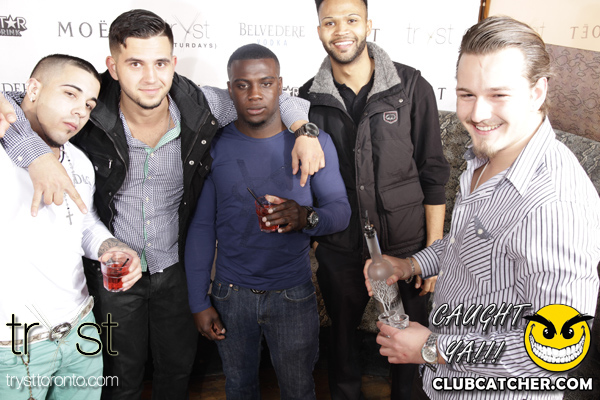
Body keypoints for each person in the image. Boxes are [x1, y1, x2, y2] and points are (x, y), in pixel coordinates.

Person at [0, 9, 324, 400]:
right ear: (113, 67)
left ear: (173, 63)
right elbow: (18, 102)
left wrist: (305, 131)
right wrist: (35, 153)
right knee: (121, 380)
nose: (151, 78)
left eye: (160, 63)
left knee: (176, 372)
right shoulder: (90, 108)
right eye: (135, 64)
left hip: (174, 268)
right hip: (113, 274)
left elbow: (269, 96)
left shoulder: (201, 105)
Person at [365, 16, 600, 400]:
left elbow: (556, 351)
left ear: (537, 92)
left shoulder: (554, 204)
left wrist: (433, 348)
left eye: (498, 95)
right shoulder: (488, 155)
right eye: (467, 94)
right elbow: (467, 243)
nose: (476, 114)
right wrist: (411, 265)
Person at [298, 0, 450, 398]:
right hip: (340, 246)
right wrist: (318, 240)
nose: (341, 30)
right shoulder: (306, 101)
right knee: (342, 344)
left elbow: (433, 173)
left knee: (410, 348)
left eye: (351, 19)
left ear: (368, 25)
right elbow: (303, 180)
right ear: (319, 30)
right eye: (330, 22)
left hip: (407, 246)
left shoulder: (411, 87)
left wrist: (433, 253)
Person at [185, 43, 351, 400]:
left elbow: (340, 211)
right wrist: (199, 301)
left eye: (265, 83)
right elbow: (202, 228)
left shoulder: (314, 142)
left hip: (293, 294)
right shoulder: (214, 146)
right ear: (230, 90)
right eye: (242, 84)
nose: (255, 94)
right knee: (238, 388)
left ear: (280, 86)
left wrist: (306, 217)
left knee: (299, 390)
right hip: (230, 294)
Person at [0, 54, 141, 400]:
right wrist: (33, 153)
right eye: (70, 94)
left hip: (81, 331)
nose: (80, 111)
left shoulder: (79, 160)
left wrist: (110, 247)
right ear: (33, 89)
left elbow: (84, 223)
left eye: (89, 104)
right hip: (14, 346)